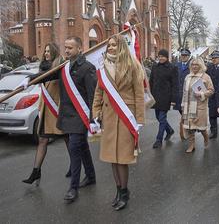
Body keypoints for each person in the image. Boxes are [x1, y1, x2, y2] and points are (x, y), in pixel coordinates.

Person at [21, 37, 97, 203]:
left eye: (70, 48)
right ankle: (91, 176)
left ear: (79, 49)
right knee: (82, 147)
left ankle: (73, 188)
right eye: (66, 47)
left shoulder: (88, 68)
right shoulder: (64, 67)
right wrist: (30, 78)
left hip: (80, 116)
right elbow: (47, 75)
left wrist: (94, 119)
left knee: (75, 148)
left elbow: (93, 96)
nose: (67, 50)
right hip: (66, 114)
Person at [92, 35, 145, 211]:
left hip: (126, 117)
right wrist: (96, 112)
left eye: (114, 45)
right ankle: (118, 190)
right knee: (111, 158)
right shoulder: (103, 67)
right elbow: (98, 93)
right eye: (109, 46)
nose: (111, 48)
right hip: (108, 117)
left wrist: (139, 121)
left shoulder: (133, 66)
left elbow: (139, 94)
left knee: (122, 158)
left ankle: (124, 192)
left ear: (121, 46)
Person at [22, 43, 71, 185]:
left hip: (58, 108)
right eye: (45, 51)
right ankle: (36, 172)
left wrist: (31, 78)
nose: (46, 53)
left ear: (55, 52)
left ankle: (75, 167)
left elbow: (49, 76)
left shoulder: (59, 65)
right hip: (46, 109)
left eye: (49, 51)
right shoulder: (43, 66)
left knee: (68, 140)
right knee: (42, 140)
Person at [181, 58, 214, 153]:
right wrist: (183, 104)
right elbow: (184, 92)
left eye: (197, 65)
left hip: (200, 107)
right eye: (193, 65)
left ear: (201, 66)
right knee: (190, 128)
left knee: (201, 128)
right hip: (188, 106)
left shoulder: (205, 77)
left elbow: (211, 90)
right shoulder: (188, 77)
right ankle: (192, 145)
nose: (194, 66)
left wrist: (202, 94)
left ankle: (206, 138)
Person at [149, 49, 178, 148]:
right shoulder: (155, 67)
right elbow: (151, 81)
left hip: (166, 97)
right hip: (155, 96)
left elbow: (175, 85)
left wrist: (174, 99)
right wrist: (149, 94)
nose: (161, 58)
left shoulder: (172, 68)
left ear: (166, 57)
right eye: (159, 56)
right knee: (158, 117)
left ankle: (158, 140)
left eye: (163, 56)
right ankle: (169, 130)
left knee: (161, 118)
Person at [206, 50, 219, 138]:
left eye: (216, 58)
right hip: (213, 94)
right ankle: (213, 131)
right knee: (212, 114)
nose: (214, 59)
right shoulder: (209, 67)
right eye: (212, 58)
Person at [174, 48, 192, 140]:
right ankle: (186, 128)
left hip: (188, 94)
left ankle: (187, 131)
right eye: (182, 55)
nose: (183, 57)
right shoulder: (176, 65)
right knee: (182, 113)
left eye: (185, 56)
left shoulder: (192, 65)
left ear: (189, 56)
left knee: (188, 113)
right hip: (178, 94)